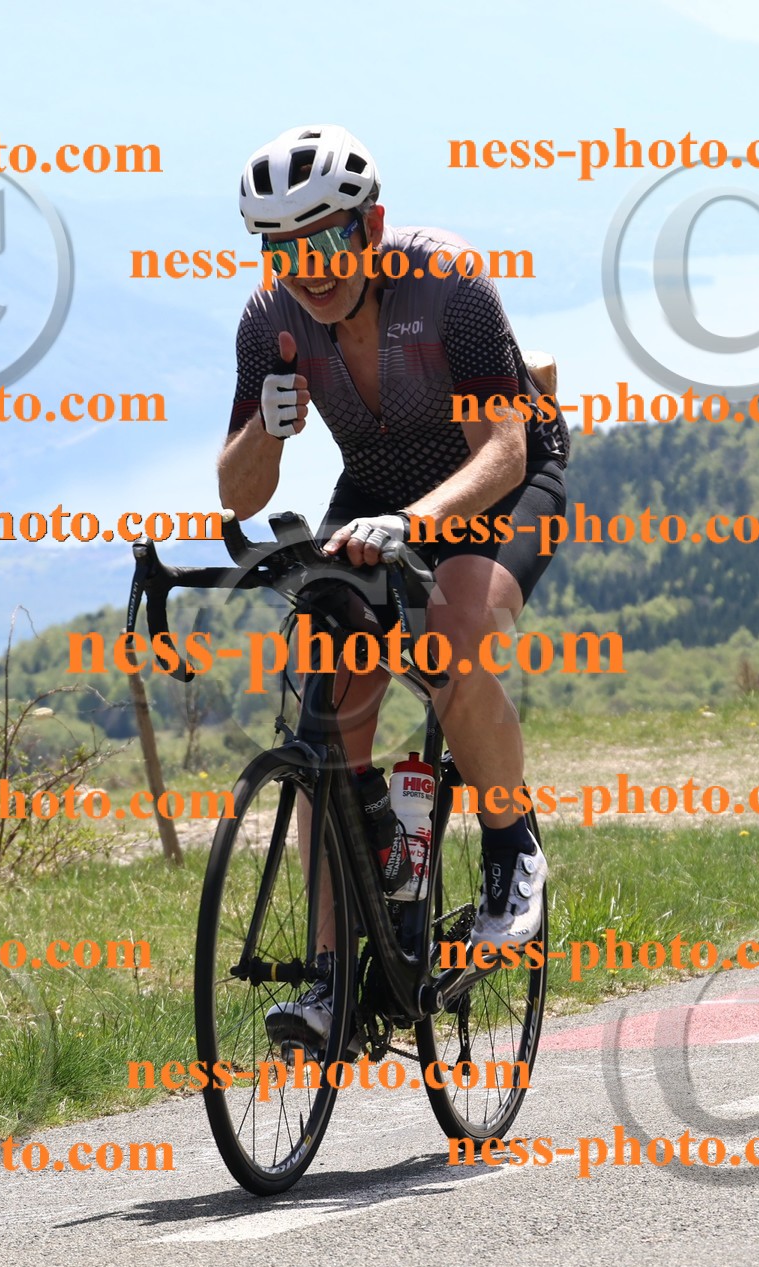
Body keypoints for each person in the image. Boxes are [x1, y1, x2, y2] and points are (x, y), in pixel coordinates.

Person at [216, 125, 569, 1046]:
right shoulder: (271, 324)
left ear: (371, 225)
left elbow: (505, 447)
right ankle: (336, 977)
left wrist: (419, 525)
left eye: (327, 241)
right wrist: (270, 429)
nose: (309, 269)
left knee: (450, 634)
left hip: (498, 481)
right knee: (329, 713)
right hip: (374, 489)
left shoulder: (448, 287)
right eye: (282, 250)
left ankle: (509, 843)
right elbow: (238, 494)